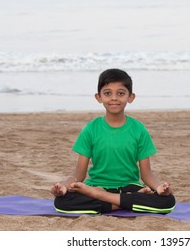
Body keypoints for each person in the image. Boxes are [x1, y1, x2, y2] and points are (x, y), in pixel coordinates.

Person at [51, 68, 176, 214]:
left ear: (131, 97)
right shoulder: (91, 129)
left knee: (168, 201)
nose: (114, 98)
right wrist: (64, 187)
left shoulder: (139, 129)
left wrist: (159, 187)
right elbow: (79, 173)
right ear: (99, 97)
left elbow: (146, 174)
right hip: (97, 185)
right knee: (61, 202)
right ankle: (122, 201)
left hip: (128, 186)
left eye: (121, 93)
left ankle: (102, 197)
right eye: (107, 93)